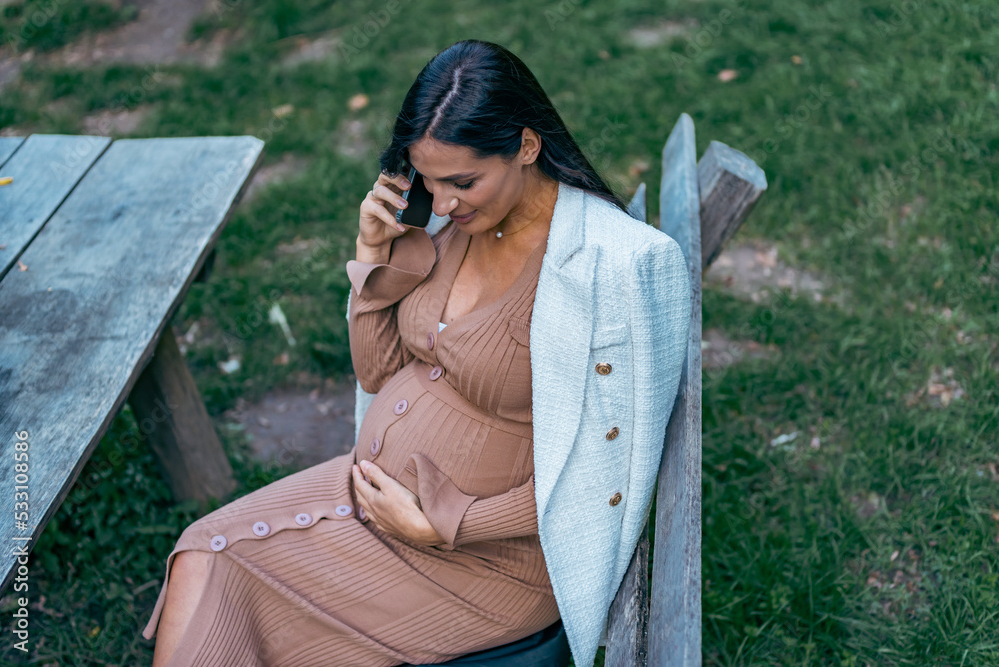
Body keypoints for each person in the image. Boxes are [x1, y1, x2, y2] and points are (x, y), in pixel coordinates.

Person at [142, 39, 690, 667]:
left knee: (225, 578)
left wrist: (447, 523)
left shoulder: (614, 267)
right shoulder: (451, 228)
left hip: (486, 562)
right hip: (377, 496)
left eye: (463, 181)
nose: (445, 203)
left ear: (526, 146)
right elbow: (378, 371)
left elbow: (602, 473)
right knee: (202, 551)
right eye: (429, 181)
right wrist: (372, 254)